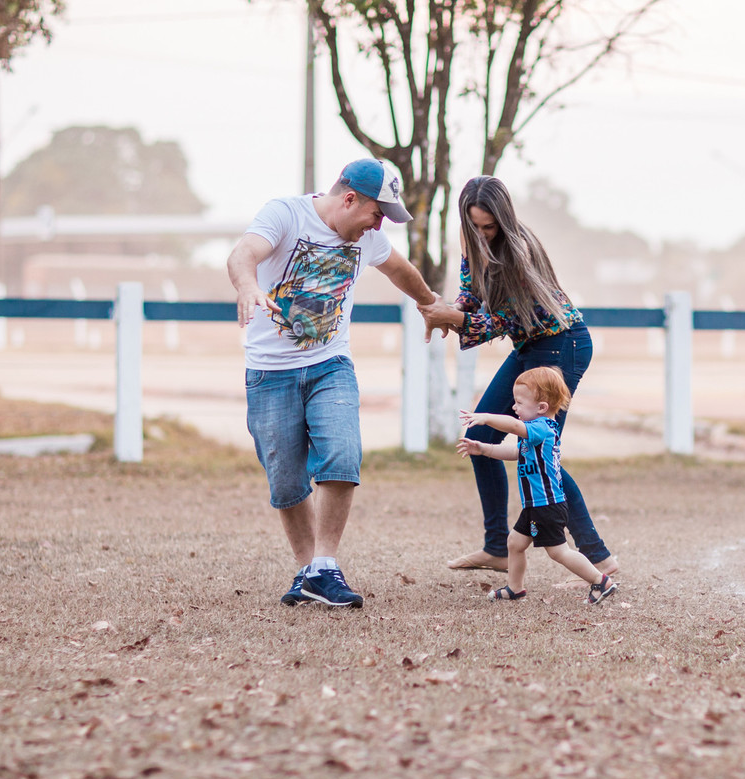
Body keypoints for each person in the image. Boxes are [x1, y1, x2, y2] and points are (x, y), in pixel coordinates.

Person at [227, 158, 448, 609]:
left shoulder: (367, 237)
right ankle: (309, 571)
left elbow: (400, 271)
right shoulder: (285, 214)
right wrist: (247, 286)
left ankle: (325, 566)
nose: (378, 223)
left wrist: (430, 303)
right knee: (286, 481)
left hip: (331, 364)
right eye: (377, 213)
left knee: (342, 453)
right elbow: (243, 253)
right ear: (350, 198)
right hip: (270, 371)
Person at [419, 175, 618, 577]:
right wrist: (450, 312)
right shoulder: (474, 242)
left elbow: (498, 320)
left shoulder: (516, 250)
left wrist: (454, 319)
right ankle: (497, 548)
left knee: (542, 451)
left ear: (503, 219)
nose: (481, 232)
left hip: (562, 346)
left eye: (488, 226)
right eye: (474, 225)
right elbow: (471, 295)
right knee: (479, 436)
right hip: (531, 345)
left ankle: (599, 559)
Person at [457, 367, 618, 605]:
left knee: (558, 552)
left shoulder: (542, 428)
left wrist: (486, 417)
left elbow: (513, 427)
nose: (514, 407)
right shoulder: (532, 434)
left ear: (542, 407)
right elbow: (515, 452)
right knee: (515, 542)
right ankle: (515, 588)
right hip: (535, 505)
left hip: (548, 505)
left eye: (520, 402)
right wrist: (483, 449)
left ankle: (600, 581)